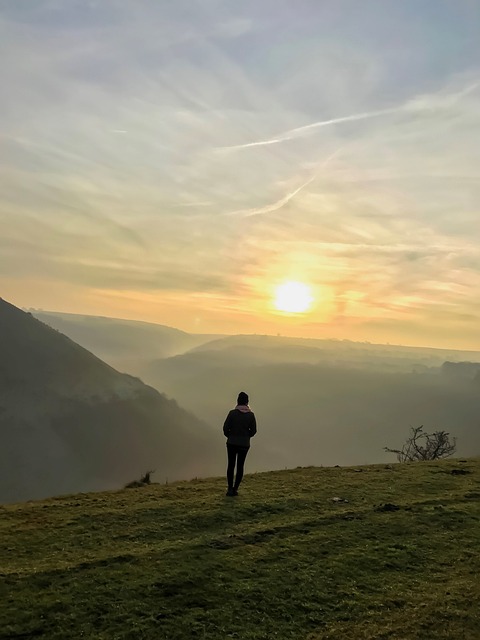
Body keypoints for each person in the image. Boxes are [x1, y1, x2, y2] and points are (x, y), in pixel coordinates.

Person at [223, 391, 257, 496]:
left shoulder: (232, 413)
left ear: (238, 401)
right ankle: (235, 489)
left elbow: (225, 428)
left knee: (231, 465)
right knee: (240, 466)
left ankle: (229, 488)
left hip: (232, 443)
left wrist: (230, 435)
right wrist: (246, 436)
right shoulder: (251, 415)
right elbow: (254, 430)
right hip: (244, 444)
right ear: (247, 402)